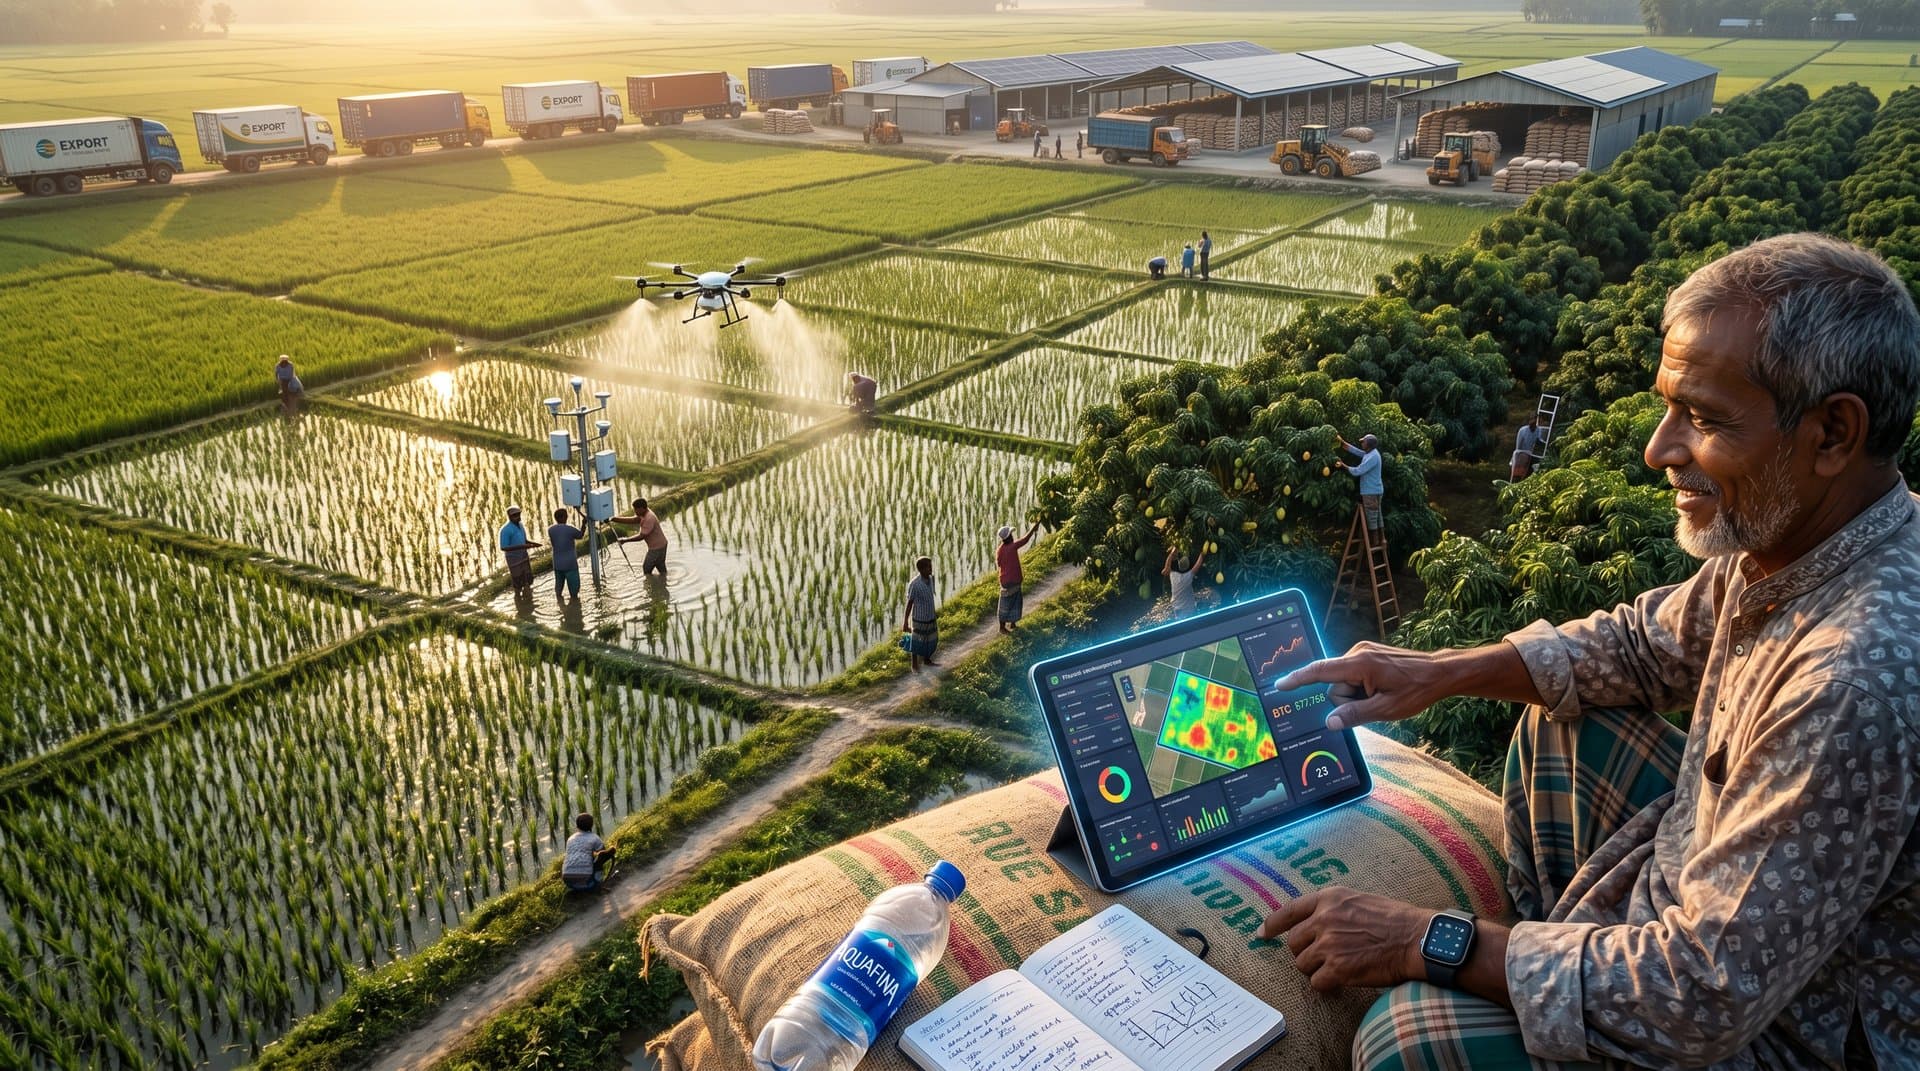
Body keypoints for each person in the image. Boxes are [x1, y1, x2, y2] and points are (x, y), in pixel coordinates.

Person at [1257, 234, 1920, 1071]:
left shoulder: (1852, 680)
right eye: (1668, 405)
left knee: (1409, 1039)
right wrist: (1439, 671)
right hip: (1724, 920)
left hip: (1785, 1026)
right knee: (1558, 716)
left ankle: (1552, 1001)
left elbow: (1702, 994)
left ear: (1833, 432)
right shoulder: (1802, 542)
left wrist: (1430, 939)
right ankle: (1557, 977)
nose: (1659, 448)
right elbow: (1643, 647)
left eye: (1706, 418)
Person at [995, 521, 1041, 633]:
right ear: (1009, 537)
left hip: (1005, 581)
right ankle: (1006, 626)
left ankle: (1009, 625)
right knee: (1014, 602)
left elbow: (999, 564)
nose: (1012, 536)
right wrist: (1033, 529)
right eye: (1011, 534)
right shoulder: (1012, 546)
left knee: (1007, 601)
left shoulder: (1000, 550)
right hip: (1014, 580)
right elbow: (1025, 540)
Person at [1335, 432, 1383, 532]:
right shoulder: (1371, 453)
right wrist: (1342, 442)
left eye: (1363, 442)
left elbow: (1358, 471)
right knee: (1377, 516)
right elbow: (1356, 451)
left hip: (1370, 492)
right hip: (1374, 490)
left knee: (1372, 520)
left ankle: (1375, 543)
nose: (1362, 444)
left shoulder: (1372, 457)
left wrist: (1343, 465)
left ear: (1368, 445)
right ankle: (1380, 541)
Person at [613, 496, 669, 576]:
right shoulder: (644, 513)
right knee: (660, 566)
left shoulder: (649, 518)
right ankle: (663, 582)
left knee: (646, 568)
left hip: (657, 548)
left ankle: (652, 586)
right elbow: (633, 520)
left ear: (642, 508)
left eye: (636, 509)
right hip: (661, 544)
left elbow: (641, 536)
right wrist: (614, 519)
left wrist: (625, 540)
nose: (635, 511)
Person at [561, 813, 617, 892]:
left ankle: (578, 887)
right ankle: (598, 884)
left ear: (577, 825)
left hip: (568, 882)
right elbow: (603, 853)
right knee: (600, 859)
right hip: (589, 884)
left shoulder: (570, 839)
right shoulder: (594, 838)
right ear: (591, 825)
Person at [901, 556, 938, 671]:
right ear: (921, 569)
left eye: (931, 566)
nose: (931, 569)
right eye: (928, 567)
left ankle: (927, 660)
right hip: (919, 618)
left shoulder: (931, 579)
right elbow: (910, 603)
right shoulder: (915, 584)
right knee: (916, 641)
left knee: (931, 639)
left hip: (930, 616)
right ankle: (914, 665)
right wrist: (905, 622)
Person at [499, 505, 541, 598]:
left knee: (527, 578)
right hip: (514, 560)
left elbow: (524, 540)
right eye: (515, 516)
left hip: (523, 556)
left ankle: (528, 599)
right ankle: (518, 599)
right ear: (509, 517)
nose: (518, 517)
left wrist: (533, 544)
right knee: (517, 581)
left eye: (518, 515)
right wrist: (523, 546)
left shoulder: (520, 526)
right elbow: (504, 547)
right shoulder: (505, 530)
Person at [547, 507, 585, 602]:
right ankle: (574, 607)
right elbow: (580, 535)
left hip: (558, 564)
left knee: (558, 589)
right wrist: (584, 524)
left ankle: (560, 604)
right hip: (570, 564)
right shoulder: (570, 529)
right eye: (566, 515)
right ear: (564, 517)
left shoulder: (551, 530)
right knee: (574, 592)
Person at [1162, 544, 1205, 619]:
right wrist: (1203, 553)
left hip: (1177, 610)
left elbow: (1165, 570)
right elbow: (1198, 564)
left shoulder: (1173, 576)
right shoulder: (1188, 576)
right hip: (1189, 610)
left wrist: (1172, 553)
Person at [1510, 415, 1544, 480]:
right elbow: (1518, 447)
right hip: (1522, 454)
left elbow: (1539, 441)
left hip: (1532, 454)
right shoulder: (1522, 430)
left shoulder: (1539, 430)